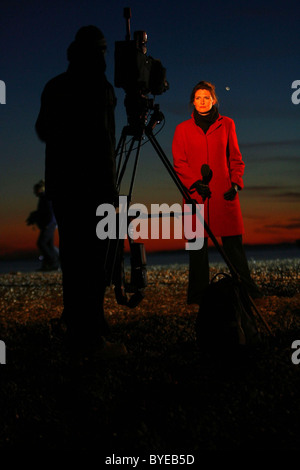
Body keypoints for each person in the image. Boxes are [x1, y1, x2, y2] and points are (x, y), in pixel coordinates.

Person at [35, 26, 126, 357]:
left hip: (62, 188)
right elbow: (105, 145)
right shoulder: (98, 88)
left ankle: (81, 328)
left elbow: (43, 129)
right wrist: (111, 192)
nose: (104, 57)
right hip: (92, 189)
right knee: (94, 262)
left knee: (74, 261)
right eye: (101, 51)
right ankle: (90, 339)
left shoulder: (55, 86)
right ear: (95, 53)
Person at [172, 80, 261, 305]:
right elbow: (179, 163)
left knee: (234, 248)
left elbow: (236, 158)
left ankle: (247, 289)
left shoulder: (227, 124)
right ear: (193, 101)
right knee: (197, 250)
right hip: (196, 196)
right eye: (198, 98)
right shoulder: (182, 129)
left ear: (214, 100)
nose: (202, 102)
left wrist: (236, 184)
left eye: (206, 98)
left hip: (224, 194)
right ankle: (197, 296)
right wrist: (193, 183)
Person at [26, 180, 59, 271]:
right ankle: (49, 265)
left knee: (42, 243)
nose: (34, 192)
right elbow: (42, 212)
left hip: (49, 225)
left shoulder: (46, 198)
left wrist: (48, 224)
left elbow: (49, 212)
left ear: (40, 189)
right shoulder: (44, 198)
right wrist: (33, 217)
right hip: (50, 224)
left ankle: (53, 262)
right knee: (49, 245)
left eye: (36, 190)